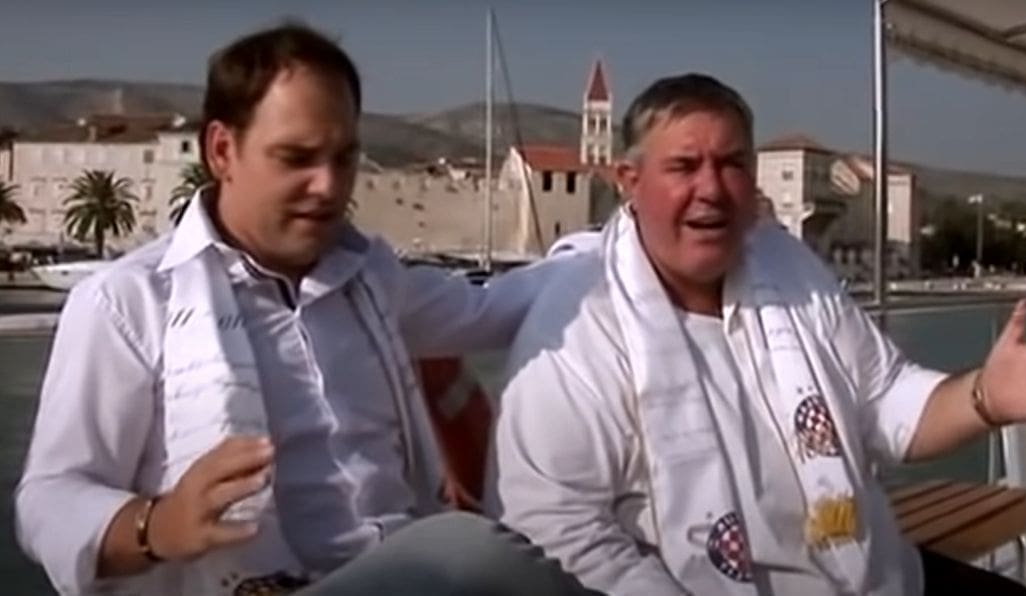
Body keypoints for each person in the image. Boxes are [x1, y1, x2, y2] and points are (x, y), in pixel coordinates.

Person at [15, 22, 594, 596]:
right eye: (297, 158)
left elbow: (492, 307)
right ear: (222, 151)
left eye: (344, 159)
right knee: (476, 550)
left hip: (396, 572)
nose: (329, 186)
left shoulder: (373, 281)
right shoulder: (129, 302)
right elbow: (49, 497)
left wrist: (621, 245)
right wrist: (158, 525)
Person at [486, 73, 1026, 595]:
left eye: (732, 164)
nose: (711, 189)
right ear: (628, 179)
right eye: (684, 166)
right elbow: (556, 527)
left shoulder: (789, 267)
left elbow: (885, 399)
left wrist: (986, 396)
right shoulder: (577, 330)